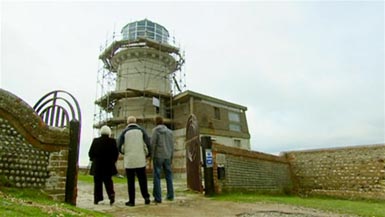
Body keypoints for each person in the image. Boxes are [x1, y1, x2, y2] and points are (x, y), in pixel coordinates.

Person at [118, 116, 151, 206]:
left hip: (129, 160)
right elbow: (148, 143)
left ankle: (131, 201)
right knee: (143, 180)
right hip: (140, 159)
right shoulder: (142, 131)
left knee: (130, 181)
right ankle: (146, 197)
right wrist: (148, 154)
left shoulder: (124, 132)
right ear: (136, 122)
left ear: (128, 123)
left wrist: (124, 152)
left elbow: (119, 145)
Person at [88, 125, 119, 205]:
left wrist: (93, 159)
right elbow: (115, 153)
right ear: (109, 132)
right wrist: (113, 161)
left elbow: (90, 153)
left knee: (97, 182)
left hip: (97, 165)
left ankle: (97, 198)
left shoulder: (95, 141)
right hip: (108, 165)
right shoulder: (112, 141)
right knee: (108, 181)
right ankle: (111, 195)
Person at [151, 116, 174, 203]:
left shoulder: (155, 131)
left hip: (158, 155)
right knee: (169, 176)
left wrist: (151, 156)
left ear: (156, 122)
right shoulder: (170, 132)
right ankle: (170, 195)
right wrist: (171, 156)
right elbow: (172, 145)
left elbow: (153, 144)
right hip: (167, 155)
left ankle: (158, 198)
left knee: (157, 176)